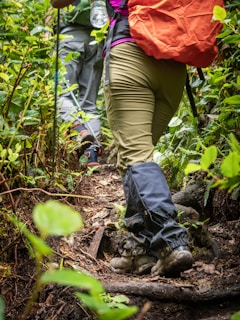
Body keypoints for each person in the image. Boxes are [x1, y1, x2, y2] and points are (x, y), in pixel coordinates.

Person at [103, 0, 194, 276]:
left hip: (130, 54)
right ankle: (139, 249)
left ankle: (170, 241)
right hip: (174, 65)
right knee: (135, 162)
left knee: (136, 158)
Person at [50, 0, 104, 166]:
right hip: (98, 40)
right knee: (89, 103)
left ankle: (80, 130)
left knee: (60, 94)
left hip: (71, 37)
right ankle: (91, 156)